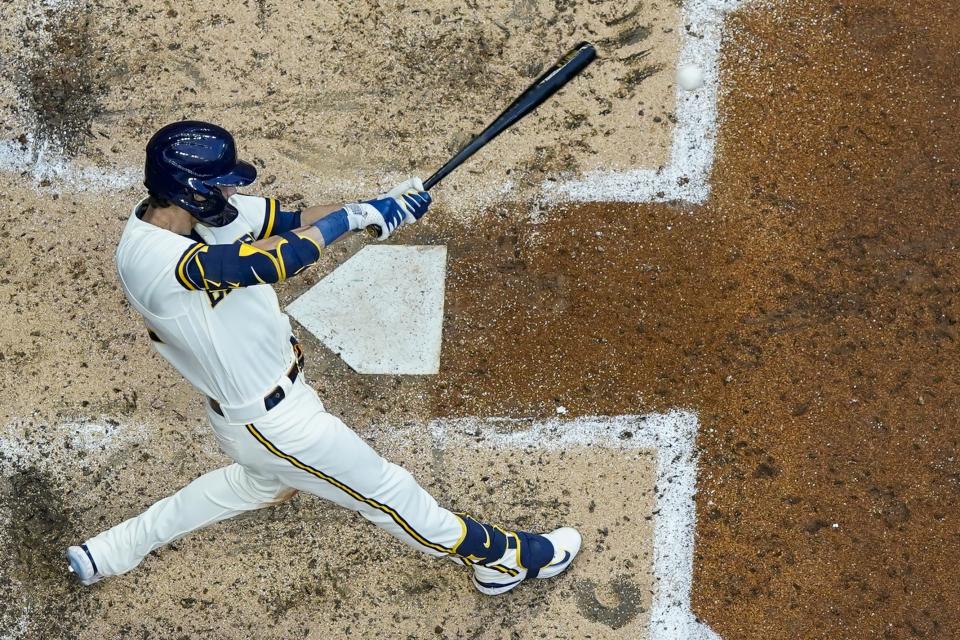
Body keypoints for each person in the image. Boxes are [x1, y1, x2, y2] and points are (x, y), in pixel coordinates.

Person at [65, 120, 580, 596]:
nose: (232, 192)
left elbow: (289, 222)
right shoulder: (149, 259)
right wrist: (352, 218)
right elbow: (279, 257)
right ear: (188, 189)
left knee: (261, 485)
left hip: (265, 412)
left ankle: (111, 551)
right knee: (389, 492)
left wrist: (376, 207)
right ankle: (504, 559)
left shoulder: (202, 214)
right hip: (272, 423)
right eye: (221, 184)